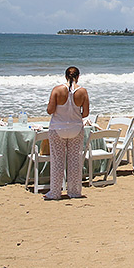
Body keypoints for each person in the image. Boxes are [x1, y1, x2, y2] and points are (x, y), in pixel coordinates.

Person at [45, 66, 89, 200]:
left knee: (57, 161)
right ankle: (74, 191)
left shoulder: (57, 90)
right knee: (75, 161)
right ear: (78, 76)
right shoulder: (82, 91)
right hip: (76, 128)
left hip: (57, 128)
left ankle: (55, 192)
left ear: (65, 76)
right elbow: (85, 113)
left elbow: (50, 110)